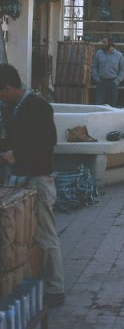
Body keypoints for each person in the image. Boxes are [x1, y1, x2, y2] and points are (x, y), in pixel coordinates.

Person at [0, 64, 65, 308]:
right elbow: (14, 139)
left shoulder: (38, 106)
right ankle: (26, 289)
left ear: (7, 87)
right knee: (16, 238)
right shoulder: (10, 108)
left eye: (0, 92)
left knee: (45, 236)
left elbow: (47, 143)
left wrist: (17, 154)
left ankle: (55, 289)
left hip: (38, 180)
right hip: (18, 179)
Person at [92, 37, 124, 106]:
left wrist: (116, 81)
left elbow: (122, 69)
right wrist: (97, 78)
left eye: (104, 42)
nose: (102, 44)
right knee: (99, 105)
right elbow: (94, 67)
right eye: (102, 42)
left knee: (111, 106)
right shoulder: (98, 54)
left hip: (112, 83)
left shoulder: (119, 55)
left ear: (110, 43)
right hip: (101, 83)